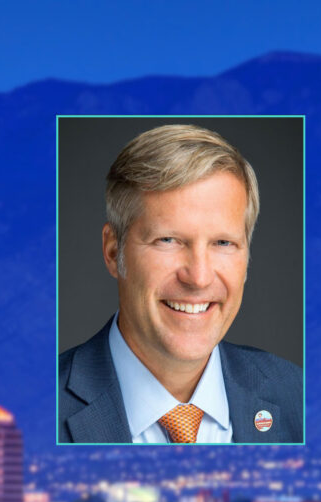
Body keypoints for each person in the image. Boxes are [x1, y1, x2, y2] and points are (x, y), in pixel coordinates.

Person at [59, 124, 302, 444]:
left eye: (223, 243)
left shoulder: (298, 397)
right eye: (168, 240)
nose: (199, 277)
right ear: (113, 251)